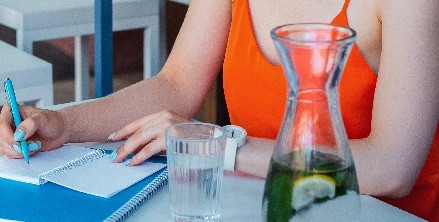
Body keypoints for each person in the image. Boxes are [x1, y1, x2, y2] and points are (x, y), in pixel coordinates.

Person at [1, 0, 438, 220]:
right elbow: (175, 85)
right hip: (265, 205)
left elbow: (392, 168)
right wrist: (62, 121)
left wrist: (223, 147)